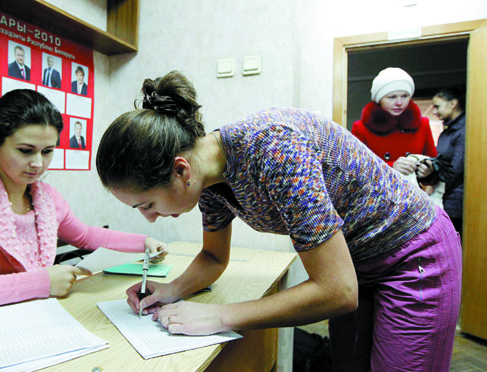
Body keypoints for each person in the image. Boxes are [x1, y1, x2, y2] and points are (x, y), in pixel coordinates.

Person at [95, 71, 462, 371]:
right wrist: (171, 289)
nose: (151, 218)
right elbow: (213, 257)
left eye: (147, 204)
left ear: (180, 170)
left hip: (413, 253)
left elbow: (337, 290)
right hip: (356, 262)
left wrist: (221, 316)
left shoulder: (274, 150)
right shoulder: (206, 179)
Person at [0, 89, 167, 370]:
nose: (38, 164)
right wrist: (40, 282)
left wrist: (144, 241)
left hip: (29, 332)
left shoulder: (45, 196)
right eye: (25, 151)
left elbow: (86, 235)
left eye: (47, 151)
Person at [351, 67, 437, 177]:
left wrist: (428, 172)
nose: (399, 103)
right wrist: (391, 167)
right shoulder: (361, 128)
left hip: (412, 192)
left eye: (405, 96)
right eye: (392, 97)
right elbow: (356, 169)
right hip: (378, 193)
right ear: (379, 99)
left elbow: (433, 163)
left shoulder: (423, 124)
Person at [417, 87, 466, 236]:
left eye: (437, 106)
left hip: (455, 200)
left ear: (453, 104)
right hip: (445, 195)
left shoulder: (464, 130)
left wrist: (433, 185)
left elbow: (456, 169)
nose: (434, 111)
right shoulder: (447, 131)